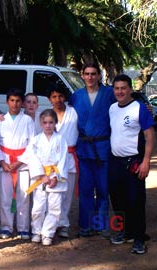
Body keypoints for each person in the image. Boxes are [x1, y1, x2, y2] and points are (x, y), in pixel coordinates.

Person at [108, 74, 155, 255]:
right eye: (117, 88)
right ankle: (123, 233)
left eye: (123, 88)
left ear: (130, 89)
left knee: (135, 201)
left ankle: (139, 238)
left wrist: (146, 161)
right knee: (117, 200)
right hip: (115, 162)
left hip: (134, 162)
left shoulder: (139, 108)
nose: (120, 91)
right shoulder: (112, 109)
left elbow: (150, 135)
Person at [69, 62, 116, 237]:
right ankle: (86, 225)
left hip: (103, 147)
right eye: (87, 74)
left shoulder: (109, 94)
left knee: (103, 189)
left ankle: (100, 224)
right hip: (84, 148)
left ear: (98, 76)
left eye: (93, 74)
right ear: (82, 75)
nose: (90, 77)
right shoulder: (76, 96)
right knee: (86, 189)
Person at [21, 109, 68, 246]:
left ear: (55, 123)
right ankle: (36, 231)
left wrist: (54, 177)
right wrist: (42, 175)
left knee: (54, 207)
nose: (48, 125)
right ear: (41, 123)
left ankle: (48, 233)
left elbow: (63, 159)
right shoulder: (35, 140)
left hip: (55, 177)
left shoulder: (60, 139)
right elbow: (33, 158)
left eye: (51, 122)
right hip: (40, 177)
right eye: (45, 122)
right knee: (38, 207)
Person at [0, 88, 35, 240]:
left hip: (22, 162)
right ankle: (6, 227)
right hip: (5, 162)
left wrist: (20, 161)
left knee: (23, 196)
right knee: (5, 197)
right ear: (7, 102)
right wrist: (1, 161)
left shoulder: (27, 121)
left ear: (22, 103)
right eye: (12, 100)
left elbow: (32, 144)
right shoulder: (0, 120)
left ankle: (23, 228)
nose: (15, 104)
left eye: (18, 101)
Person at [46, 84, 79, 238]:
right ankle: (52, 223)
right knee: (53, 193)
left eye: (60, 96)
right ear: (49, 99)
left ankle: (64, 224)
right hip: (52, 160)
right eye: (54, 97)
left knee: (67, 193)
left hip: (70, 157)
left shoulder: (74, 112)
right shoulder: (47, 116)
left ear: (65, 97)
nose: (58, 100)